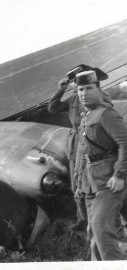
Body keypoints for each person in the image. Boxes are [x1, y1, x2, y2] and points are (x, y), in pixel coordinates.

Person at [48, 64, 112, 231]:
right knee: (76, 182)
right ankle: (82, 219)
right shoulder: (73, 99)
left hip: (91, 140)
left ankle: (100, 219)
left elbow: (106, 109)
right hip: (74, 142)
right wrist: (60, 90)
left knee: (93, 181)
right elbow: (52, 108)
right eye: (77, 84)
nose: (80, 88)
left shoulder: (99, 96)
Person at [75, 70, 127, 260]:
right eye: (80, 89)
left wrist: (120, 174)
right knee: (93, 232)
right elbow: (85, 153)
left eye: (89, 88)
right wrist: (81, 184)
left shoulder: (106, 113)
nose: (84, 93)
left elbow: (125, 143)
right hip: (92, 181)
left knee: (100, 227)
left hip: (110, 179)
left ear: (98, 88)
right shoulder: (87, 115)